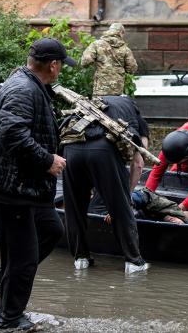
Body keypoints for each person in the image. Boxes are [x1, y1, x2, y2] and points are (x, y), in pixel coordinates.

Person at [0, 39, 72, 332]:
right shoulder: (22, 89)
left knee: (51, 230)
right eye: (62, 65)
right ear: (53, 65)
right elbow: (13, 135)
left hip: (24, 185)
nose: (61, 70)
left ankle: (0, 281)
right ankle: (9, 320)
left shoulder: (30, 85)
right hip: (9, 189)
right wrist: (47, 161)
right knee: (23, 256)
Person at [60, 95, 149, 273]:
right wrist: (127, 195)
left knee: (74, 208)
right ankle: (134, 263)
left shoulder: (93, 104)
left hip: (70, 149)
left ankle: (81, 259)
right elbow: (138, 164)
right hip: (102, 150)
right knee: (120, 207)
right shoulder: (136, 117)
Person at [79, 23, 137, 98]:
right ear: (121, 33)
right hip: (117, 90)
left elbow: (85, 61)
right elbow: (132, 69)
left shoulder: (96, 44)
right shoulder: (125, 49)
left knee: (99, 109)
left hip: (100, 89)